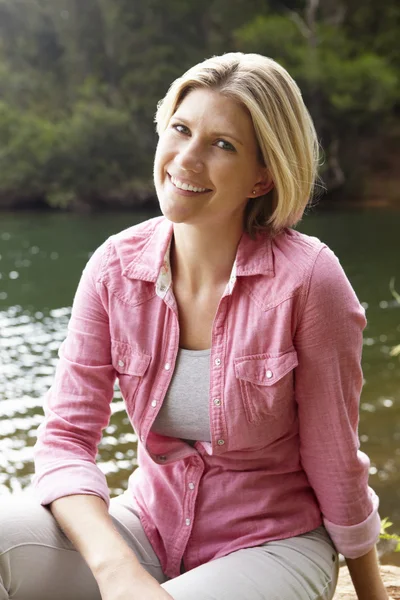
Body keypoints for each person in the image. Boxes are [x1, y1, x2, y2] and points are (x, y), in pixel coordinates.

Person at [0, 53, 388, 600]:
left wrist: (371, 592)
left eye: (222, 144)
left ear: (262, 177)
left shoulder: (309, 280)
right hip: (149, 530)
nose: (186, 158)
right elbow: (65, 440)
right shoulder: (114, 269)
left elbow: (334, 455)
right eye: (180, 130)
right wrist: (116, 569)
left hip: (274, 545)